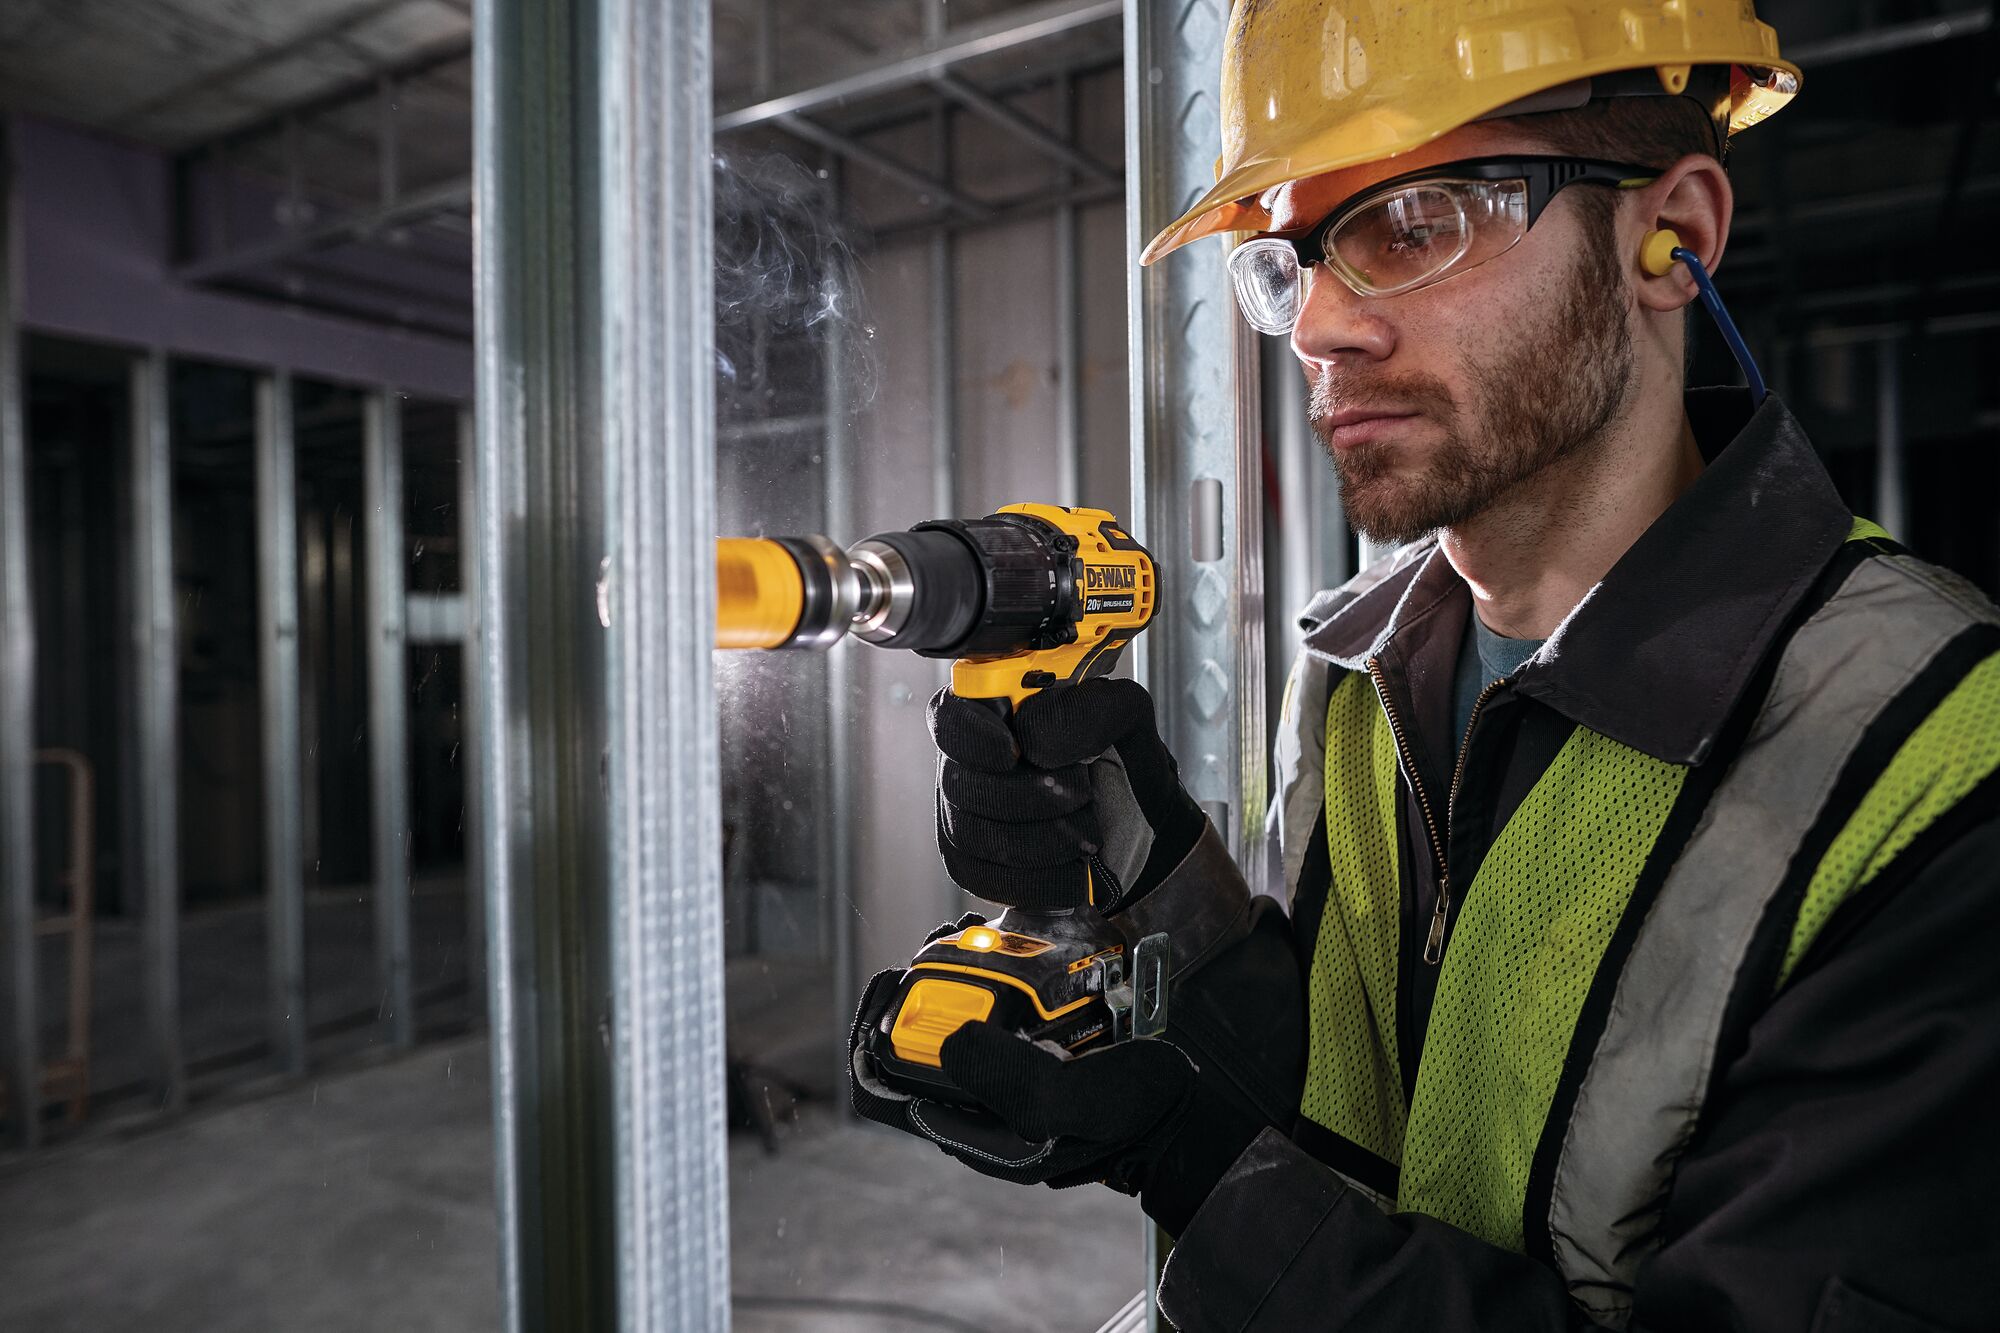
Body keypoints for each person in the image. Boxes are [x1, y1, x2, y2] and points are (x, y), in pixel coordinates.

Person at [850, 4, 2000, 1328]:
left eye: (1411, 224)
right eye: (1292, 258)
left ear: (1670, 233)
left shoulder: (1931, 767)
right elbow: (1361, 1075)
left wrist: (1215, 1185)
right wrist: (1149, 867)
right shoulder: (1360, 664)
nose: (1321, 327)